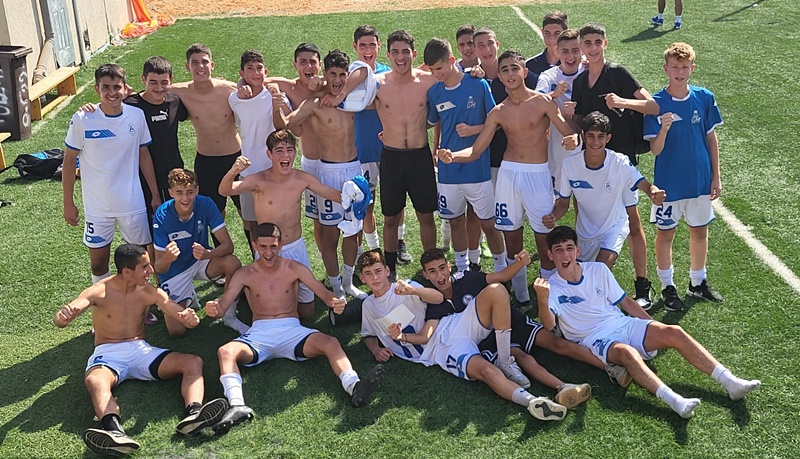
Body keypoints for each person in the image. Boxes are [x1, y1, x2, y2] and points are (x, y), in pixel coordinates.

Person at [534, 226, 760, 418]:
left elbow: (626, 302)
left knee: (674, 332)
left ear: (577, 250)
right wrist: (542, 300)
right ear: (550, 255)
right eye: (558, 250)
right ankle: (676, 401)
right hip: (593, 339)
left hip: (621, 323)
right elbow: (549, 325)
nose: (565, 255)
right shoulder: (550, 287)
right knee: (627, 353)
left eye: (569, 248)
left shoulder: (598, 270)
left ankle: (731, 382)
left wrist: (654, 327)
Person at [205, 223, 385, 434]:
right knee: (225, 352)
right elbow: (222, 307)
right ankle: (237, 405)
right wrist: (214, 308)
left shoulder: (294, 268)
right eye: (263, 247)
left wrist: (335, 302)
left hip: (292, 329)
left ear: (281, 244)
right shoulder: (244, 274)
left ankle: (354, 386)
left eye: (273, 246)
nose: (268, 252)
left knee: (330, 342)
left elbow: (324, 294)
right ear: (254, 245)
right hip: (259, 332)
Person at [53, 244, 228, 456]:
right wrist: (62, 317)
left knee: (192, 362)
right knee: (95, 380)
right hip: (108, 353)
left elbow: (180, 314)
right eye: (145, 267)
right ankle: (114, 432)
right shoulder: (99, 291)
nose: (151, 271)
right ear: (127, 272)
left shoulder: (149, 292)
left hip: (140, 351)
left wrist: (190, 319)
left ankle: (194, 414)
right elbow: (64, 316)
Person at [437, 50, 579, 308]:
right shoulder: (498, 112)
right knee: (512, 238)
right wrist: (453, 156)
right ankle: (521, 297)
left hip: (537, 176)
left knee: (544, 238)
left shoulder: (543, 102)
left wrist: (573, 139)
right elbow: (476, 150)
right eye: (505, 70)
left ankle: (551, 298)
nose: (511, 74)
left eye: (515, 68)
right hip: (509, 175)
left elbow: (568, 132)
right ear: (500, 77)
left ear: (524, 71)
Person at [358, 249, 569, 421]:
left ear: (387, 270)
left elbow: (437, 298)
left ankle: (505, 360)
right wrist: (377, 348)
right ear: (362, 278)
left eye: (378, 271)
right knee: (486, 371)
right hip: (439, 348)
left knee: (496, 290)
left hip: (452, 324)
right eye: (368, 274)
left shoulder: (406, 286)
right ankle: (533, 402)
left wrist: (413, 291)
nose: (375, 277)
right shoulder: (368, 306)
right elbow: (369, 334)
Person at [419, 248, 594, 408]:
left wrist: (520, 262)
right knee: (523, 358)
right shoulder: (433, 304)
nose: (439, 275)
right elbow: (428, 334)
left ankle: (606, 366)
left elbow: (502, 277)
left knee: (556, 343)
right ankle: (563, 387)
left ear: (449, 267)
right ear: (426, 275)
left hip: (511, 319)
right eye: (432, 271)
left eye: (442, 268)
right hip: (490, 337)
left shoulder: (467, 278)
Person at [570, 23, 660, 309]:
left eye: (598, 42)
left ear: (605, 44)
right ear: (581, 47)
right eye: (588, 43)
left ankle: (642, 284)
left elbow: (653, 106)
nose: (593, 48)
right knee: (585, 214)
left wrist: (623, 101)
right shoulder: (580, 82)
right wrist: (569, 121)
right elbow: (580, 123)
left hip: (620, 162)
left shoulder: (618, 73)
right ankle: (585, 277)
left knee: (632, 221)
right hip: (591, 163)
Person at [219, 129, 348, 321]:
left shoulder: (302, 179)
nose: (285, 155)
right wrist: (233, 171)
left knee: (306, 313)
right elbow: (224, 190)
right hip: (268, 250)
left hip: (295, 247)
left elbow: (331, 194)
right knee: (269, 312)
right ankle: (251, 292)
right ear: (269, 154)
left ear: (295, 152)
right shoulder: (258, 181)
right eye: (279, 150)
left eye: (290, 149)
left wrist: (355, 196)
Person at [279, 50, 366, 300]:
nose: (337, 80)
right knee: (330, 235)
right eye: (332, 74)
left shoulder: (353, 97)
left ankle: (349, 283)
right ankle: (336, 286)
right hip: (328, 172)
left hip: (354, 169)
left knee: (353, 231)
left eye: (342, 74)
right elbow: (286, 123)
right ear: (324, 73)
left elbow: (365, 71)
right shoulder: (314, 103)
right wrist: (278, 105)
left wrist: (342, 92)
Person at [644, 42, 724, 311]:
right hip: (669, 184)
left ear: (692, 68)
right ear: (665, 69)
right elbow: (655, 149)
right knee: (666, 234)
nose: (680, 72)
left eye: (685, 67)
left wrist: (716, 176)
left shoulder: (704, 97)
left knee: (699, 231)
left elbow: (711, 138)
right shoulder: (655, 104)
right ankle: (667, 286)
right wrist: (664, 129)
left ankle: (697, 282)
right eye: (675, 67)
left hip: (700, 180)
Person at [63, 64, 160, 285]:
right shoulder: (83, 119)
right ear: (97, 89)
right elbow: (69, 162)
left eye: (117, 87)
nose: (112, 92)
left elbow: (144, 155)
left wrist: (154, 194)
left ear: (125, 88)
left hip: (132, 203)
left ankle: (139, 302)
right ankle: (103, 302)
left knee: (139, 261)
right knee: (98, 264)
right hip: (98, 207)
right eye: (106, 87)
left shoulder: (136, 116)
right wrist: (68, 202)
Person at [423, 38, 507, 274]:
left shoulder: (478, 85)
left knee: (488, 223)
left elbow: (497, 121)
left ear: (452, 60)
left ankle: (501, 268)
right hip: (449, 172)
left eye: (439, 68)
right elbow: (430, 122)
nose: (436, 74)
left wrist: (475, 129)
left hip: (477, 169)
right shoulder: (434, 92)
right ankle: (462, 269)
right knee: (455, 221)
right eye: (432, 70)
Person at [545, 111, 666, 271]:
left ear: (608, 138)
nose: (595, 142)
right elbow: (563, 204)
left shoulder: (620, 162)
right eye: (591, 136)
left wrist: (653, 192)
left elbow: (644, 184)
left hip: (613, 228)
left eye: (600, 136)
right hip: (584, 234)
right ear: (583, 136)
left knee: (600, 269)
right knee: (580, 277)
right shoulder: (569, 165)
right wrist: (553, 216)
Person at [375, 30, 440, 278]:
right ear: (388, 54)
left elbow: (451, 88)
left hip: (419, 157)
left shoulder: (428, 81)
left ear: (414, 53)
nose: (400, 57)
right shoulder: (377, 83)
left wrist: (475, 71)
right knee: (390, 218)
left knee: (426, 215)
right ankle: (390, 269)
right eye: (395, 52)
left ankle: (431, 267)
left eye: (405, 52)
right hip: (391, 158)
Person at [153, 168, 246, 335]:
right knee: (177, 332)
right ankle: (179, 297)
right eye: (179, 192)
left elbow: (228, 246)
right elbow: (159, 268)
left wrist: (208, 254)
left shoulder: (205, 204)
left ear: (197, 190)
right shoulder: (162, 215)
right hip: (175, 271)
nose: (185, 198)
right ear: (171, 193)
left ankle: (229, 315)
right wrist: (167, 258)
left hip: (200, 260)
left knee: (232, 263)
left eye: (190, 192)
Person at [265, 43, 326, 254]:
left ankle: (358, 253)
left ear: (320, 65)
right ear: (295, 65)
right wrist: (241, 84)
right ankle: (325, 259)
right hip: (311, 162)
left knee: (349, 212)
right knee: (318, 219)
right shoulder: (288, 87)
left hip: (337, 161)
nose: (308, 67)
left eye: (312, 62)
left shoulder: (328, 85)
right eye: (303, 62)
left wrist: (324, 81)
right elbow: (255, 78)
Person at [170, 44, 241, 221]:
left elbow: (258, 87)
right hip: (206, 161)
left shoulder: (229, 89)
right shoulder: (180, 91)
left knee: (247, 210)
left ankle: (254, 241)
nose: (200, 66)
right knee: (214, 211)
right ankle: (219, 241)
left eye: (204, 62)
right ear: (187, 67)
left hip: (235, 158)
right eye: (194, 63)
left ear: (212, 65)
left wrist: (244, 84)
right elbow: (150, 93)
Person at [229, 49, 286, 252]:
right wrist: (240, 86)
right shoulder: (234, 99)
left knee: (275, 219)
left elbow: (282, 127)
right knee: (250, 221)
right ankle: (257, 257)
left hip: (272, 169)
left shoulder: (274, 95)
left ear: (266, 71)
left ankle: (278, 256)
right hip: (248, 170)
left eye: (259, 68)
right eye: (250, 68)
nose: (255, 72)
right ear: (242, 73)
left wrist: (276, 105)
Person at [534, 28, 584, 187]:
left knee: (584, 195)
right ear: (557, 52)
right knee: (558, 196)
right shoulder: (549, 76)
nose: (571, 57)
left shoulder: (590, 70)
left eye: (575, 50)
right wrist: (554, 95)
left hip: (588, 145)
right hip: (559, 148)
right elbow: (535, 103)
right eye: (565, 51)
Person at [525, 11, 569, 83]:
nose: (551, 39)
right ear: (542, 32)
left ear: (566, 33)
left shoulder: (573, 64)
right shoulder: (530, 65)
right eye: (547, 33)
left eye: (557, 33)